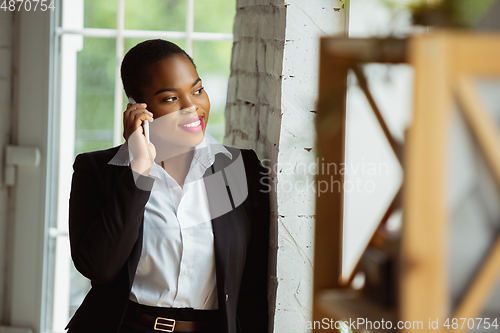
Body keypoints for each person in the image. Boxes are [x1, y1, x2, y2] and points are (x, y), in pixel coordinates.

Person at [65, 39, 270, 333]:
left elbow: (252, 284)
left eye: (197, 90)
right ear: (139, 109)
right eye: (171, 99)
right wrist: (139, 169)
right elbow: (99, 267)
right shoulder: (99, 171)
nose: (192, 107)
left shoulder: (238, 168)